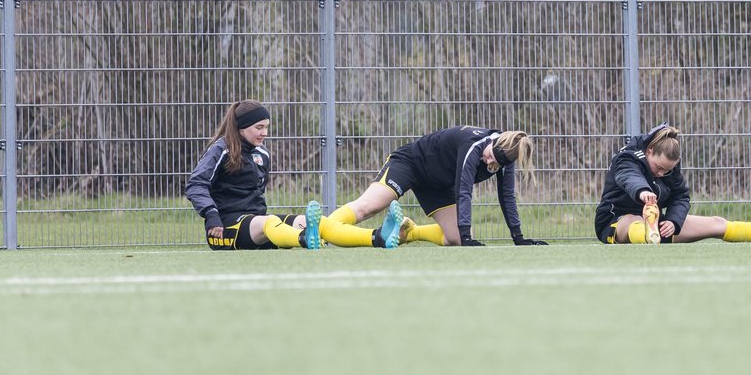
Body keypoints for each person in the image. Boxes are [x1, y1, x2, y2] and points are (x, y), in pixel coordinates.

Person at [185, 100, 404, 250]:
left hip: (257, 226)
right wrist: (211, 215)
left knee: (314, 223)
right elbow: (196, 185)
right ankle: (304, 240)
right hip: (224, 229)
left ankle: (377, 238)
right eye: (259, 127)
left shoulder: (261, 153)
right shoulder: (220, 149)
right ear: (242, 127)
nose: (265, 133)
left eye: (267, 127)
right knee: (268, 222)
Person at [594, 123, 751, 245]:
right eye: (658, 168)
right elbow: (628, 177)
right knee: (636, 221)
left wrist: (674, 222)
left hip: (659, 226)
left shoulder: (669, 170)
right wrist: (643, 192)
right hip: (615, 222)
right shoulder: (628, 157)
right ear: (650, 151)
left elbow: (680, 196)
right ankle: (647, 234)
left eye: (667, 170)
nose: (662, 174)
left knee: (717, 223)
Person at [330, 126, 547, 247]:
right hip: (411, 164)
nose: (489, 163)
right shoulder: (473, 145)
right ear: (492, 144)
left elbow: (507, 198)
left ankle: (409, 232)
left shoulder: (505, 159)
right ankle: (320, 228)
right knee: (368, 207)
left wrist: (518, 237)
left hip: (438, 184)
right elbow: (464, 192)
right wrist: (469, 238)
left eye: (495, 165)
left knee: (455, 239)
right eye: (490, 157)